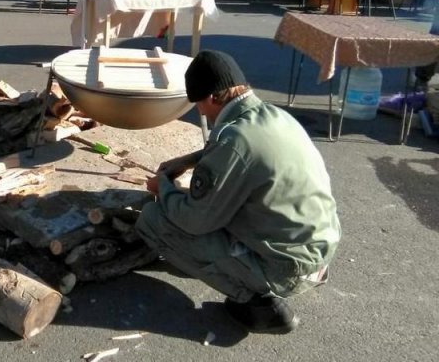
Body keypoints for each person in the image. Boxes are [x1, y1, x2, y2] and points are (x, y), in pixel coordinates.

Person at [136, 50, 341, 334]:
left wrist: (165, 188)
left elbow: (195, 220)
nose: (201, 112)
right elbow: (243, 152)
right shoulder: (274, 116)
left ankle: (259, 304)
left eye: (199, 104)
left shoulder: (234, 141)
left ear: (210, 97)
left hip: (286, 270)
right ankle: (249, 271)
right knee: (217, 207)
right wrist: (188, 160)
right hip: (318, 250)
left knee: (153, 218)